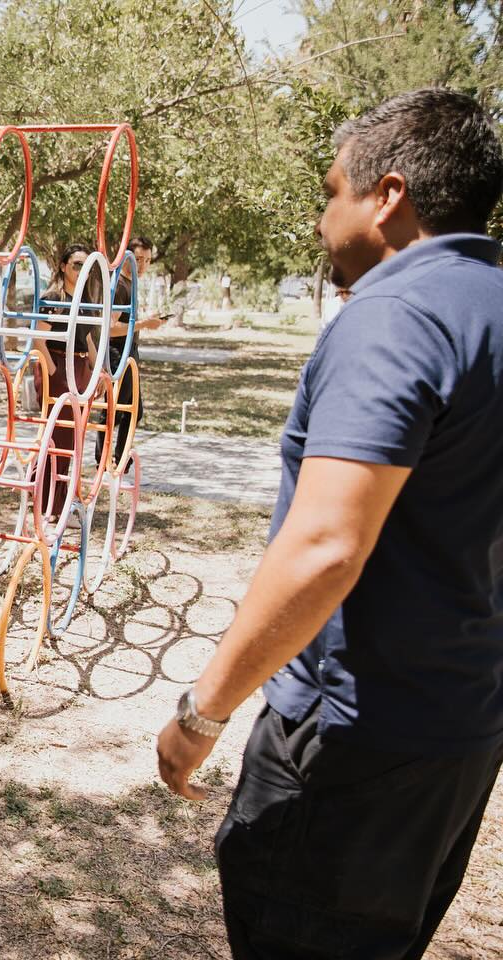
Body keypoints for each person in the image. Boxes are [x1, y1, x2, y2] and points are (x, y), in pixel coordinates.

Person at [155, 88, 503, 959]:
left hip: (352, 744)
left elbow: (323, 548)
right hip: (460, 735)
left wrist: (202, 714)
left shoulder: (396, 314)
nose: (321, 220)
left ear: (387, 196)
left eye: (329, 192)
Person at [34, 243, 102, 517]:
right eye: (76, 264)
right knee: (58, 439)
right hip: (59, 368)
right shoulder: (53, 299)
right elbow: (38, 340)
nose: (80, 270)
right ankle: (50, 506)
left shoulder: (83, 302)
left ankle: (49, 500)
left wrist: (99, 371)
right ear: (63, 266)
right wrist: (54, 374)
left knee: (71, 441)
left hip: (79, 370)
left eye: (86, 266)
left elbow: (87, 340)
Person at [95, 236, 166, 467]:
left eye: (147, 260)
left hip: (130, 351)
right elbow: (110, 328)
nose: (142, 265)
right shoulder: (119, 286)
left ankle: (118, 456)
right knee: (115, 410)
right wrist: (144, 324)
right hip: (118, 352)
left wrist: (147, 322)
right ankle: (104, 458)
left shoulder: (130, 283)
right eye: (137, 259)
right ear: (126, 256)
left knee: (134, 410)